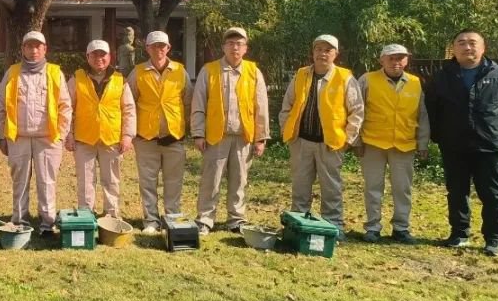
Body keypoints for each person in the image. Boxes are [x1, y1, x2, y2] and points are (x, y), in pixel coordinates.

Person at [425, 29, 498, 256]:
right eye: (461, 43)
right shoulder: (442, 76)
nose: (467, 47)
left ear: (483, 47)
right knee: (457, 191)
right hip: (453, 143)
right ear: (454, 48)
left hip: (488, 142)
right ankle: (459, 233)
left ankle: (494, 238)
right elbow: (431, 108)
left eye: (472, 43)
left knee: (492, 193)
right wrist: (435, 136)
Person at [278, 34, 364, 240]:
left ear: (336, 54)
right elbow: (287, 106)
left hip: (331, 145)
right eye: (318, 49)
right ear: (313, 52)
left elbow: (357, 111)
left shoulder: (345, 77)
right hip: (301, 142)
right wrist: (287, 132)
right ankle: (297, 226)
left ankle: (334, 228)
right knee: (300, 188)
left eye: (327, 50)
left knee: (331, 189)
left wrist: (347, 140)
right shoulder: (301, 75)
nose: (322, 53)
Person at [190, 27, 269, 235]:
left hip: (244, 137)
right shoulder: (209, 70)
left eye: (239, 44)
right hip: (216, 136)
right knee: (211, 180)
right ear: (224, 47)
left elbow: (261, 107)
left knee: (240, 181)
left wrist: (261, 138)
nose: (235, 47)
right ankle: (205, 219)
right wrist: (198, 133)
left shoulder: (254, 72)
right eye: (231, 43)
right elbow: (198, 103)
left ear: (245, 48)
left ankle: (236, 219)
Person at [0, 31, 72, 236]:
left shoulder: (55, 72)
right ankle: (20, 221)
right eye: (29, 46)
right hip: (18, 137)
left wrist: (61, 135)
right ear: (23, 49)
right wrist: (2, 136)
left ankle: (47, 223)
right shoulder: (12, 72)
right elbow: (1, 105)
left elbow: (65, 106)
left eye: (38, 46)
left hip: (48, 138)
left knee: (47, 181)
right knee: (19, 181)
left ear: (45, 49)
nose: (34, 50)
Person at [354, 44, 429, 244]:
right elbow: (357, 111)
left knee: (402, 189)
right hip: (373, 143)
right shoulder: (367, 80)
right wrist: (356, 140)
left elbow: (422, 114)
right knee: (373, 187)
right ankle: (372, 227)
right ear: (382, 60)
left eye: (400, 58)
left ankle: (401, 228)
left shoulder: (415, 82)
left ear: (407, 60)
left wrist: (422, 143)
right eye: (391, 58)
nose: (396, 62)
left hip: (404, 144)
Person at [127, 30, 192, 234]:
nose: (158, 50)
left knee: (174, 181)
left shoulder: (180, 71)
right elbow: (129, 103)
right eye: (154, 46)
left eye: (162, 46)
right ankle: (151, 221)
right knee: (148, 181)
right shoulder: (137, 72)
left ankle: (172, 218)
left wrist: (185, 127)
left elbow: (188, 102)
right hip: (146, 137)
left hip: (174, 137)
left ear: (168, 48)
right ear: (147, 48)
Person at [66, 39, 136, 218]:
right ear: (87, 57)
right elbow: (67, 108)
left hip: (111, 138)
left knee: (111, 180)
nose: (99, 58)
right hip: (84, 139)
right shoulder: (77, 78)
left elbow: (128, 109)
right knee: (85, 181)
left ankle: (111, 214)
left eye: (102, 55)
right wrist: (68, 135)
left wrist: (127, 135)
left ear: (109, 57)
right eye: (95, 55)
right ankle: (86, 215)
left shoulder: (120, 80)